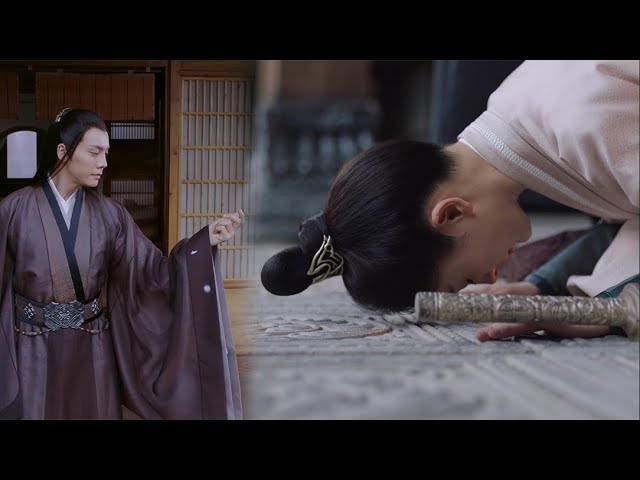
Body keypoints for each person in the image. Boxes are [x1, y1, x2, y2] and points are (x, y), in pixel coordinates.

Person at [261, 60, 639, 341]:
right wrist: (544, 287)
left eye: (467, 278)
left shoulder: (583, 123)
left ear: (452, 214)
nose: (492, 276)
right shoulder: (517, 112)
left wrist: (608, 311)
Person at [0, 108, 244, 419]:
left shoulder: (110, 215)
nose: (103, 162)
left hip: (92, 346)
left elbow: (151, 272)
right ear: (63, 151)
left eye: (106, 153)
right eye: (94, 152)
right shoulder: (13, 210)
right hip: (32, 347)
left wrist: (203, 241)